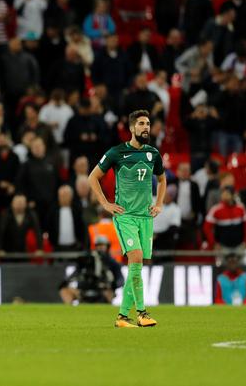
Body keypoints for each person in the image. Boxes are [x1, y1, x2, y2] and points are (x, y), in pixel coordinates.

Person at [88, 110, 166, 328]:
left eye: (148, 123)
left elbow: (162, 179)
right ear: (132, 128)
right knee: (137, 257)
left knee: (137, 265)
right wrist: (105, 204)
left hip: (145, 217)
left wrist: (158, 204)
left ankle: (122, 317)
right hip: (126, 216)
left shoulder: (153, 154)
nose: (146, 127)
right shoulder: (117, 153)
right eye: (141, 123)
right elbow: (93, 177)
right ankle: (142, 313)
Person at [59, 235, 120, 304]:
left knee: (109, 293)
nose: (100, 247)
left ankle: (107, 309)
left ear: (107, 247)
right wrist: (66, 281)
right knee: (65, 291)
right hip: (84, 289)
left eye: (103, 245)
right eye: (98, 245)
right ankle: (69, 311)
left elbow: (120, 279)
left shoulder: (112, 263)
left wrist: (113, 285)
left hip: (102, 290)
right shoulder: (88, 259)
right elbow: (77, 272)